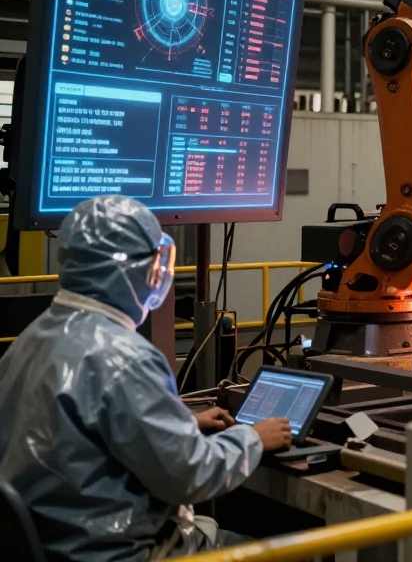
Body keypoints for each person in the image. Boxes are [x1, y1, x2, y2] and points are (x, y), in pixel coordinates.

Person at [0, 195, 294, 562]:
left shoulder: (29, 341)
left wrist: (182, 424)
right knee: (296, 550)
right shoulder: (126, 357)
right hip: (117, 552)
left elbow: (70, 432)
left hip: (53, 545)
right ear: (139, 270)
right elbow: (190, 475)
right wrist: (252, 438)